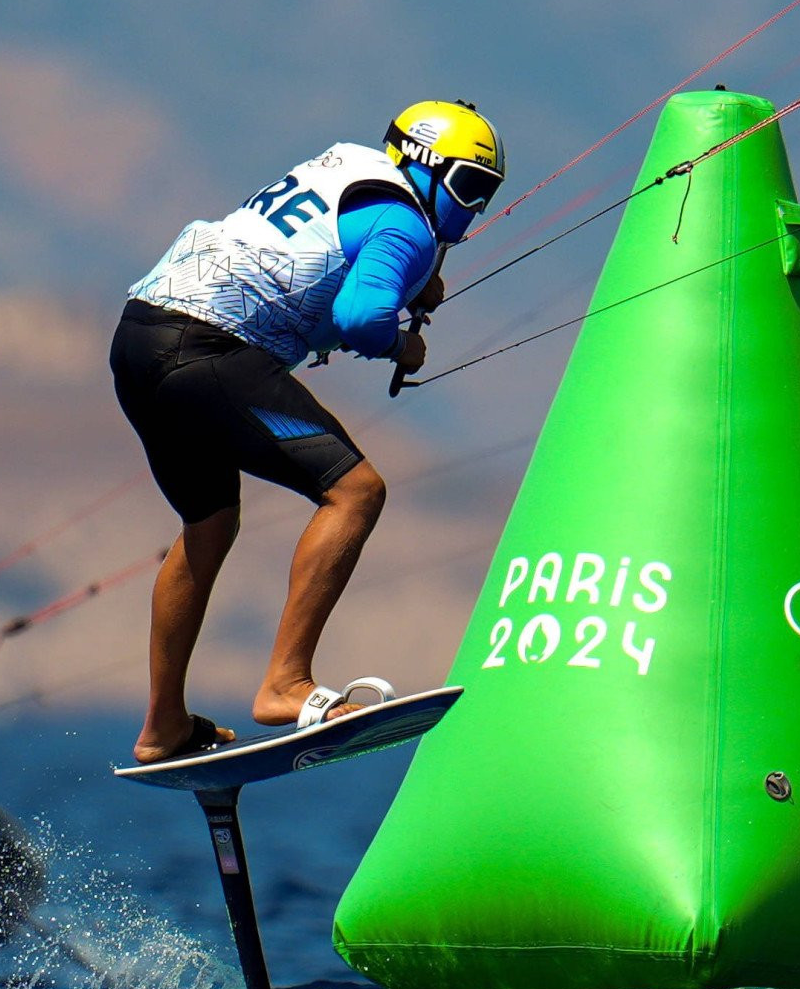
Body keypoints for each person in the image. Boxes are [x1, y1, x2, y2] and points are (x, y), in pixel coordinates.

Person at [109, 99, 506, 763]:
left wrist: (410, 282)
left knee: (209, 526)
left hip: (138, 339)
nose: (473, 208)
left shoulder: (346, 164)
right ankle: (285, 684)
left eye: (485, 194)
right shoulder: (405, 225)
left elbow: (317, 254)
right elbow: (359, 316)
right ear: (426, 166)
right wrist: (402, 348)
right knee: (356, 492)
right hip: (206, 353)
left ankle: (163, 726)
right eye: (468, 186)